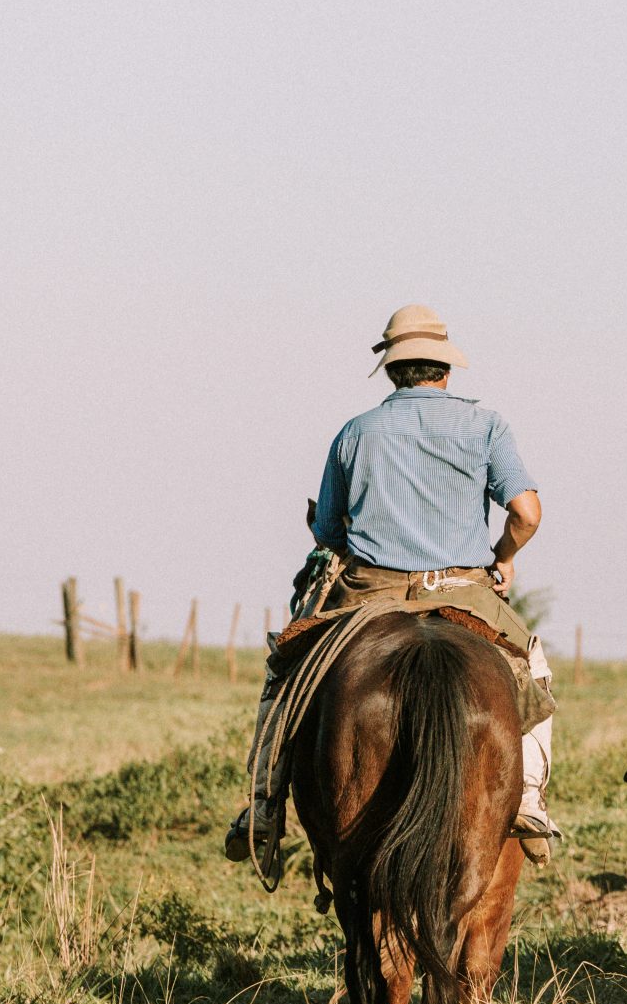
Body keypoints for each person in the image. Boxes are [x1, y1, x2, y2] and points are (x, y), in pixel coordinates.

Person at [225, 305, 561, 884]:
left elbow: (329, 533)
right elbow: (527, 512)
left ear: (390, 370)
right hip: (463, 589)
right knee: (529, 666)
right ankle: (529, 798)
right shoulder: (487, 427)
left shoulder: (355, 432)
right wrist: (504, 555)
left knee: (286, 668)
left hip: (367, 594)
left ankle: (263, 805)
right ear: (446, 370)